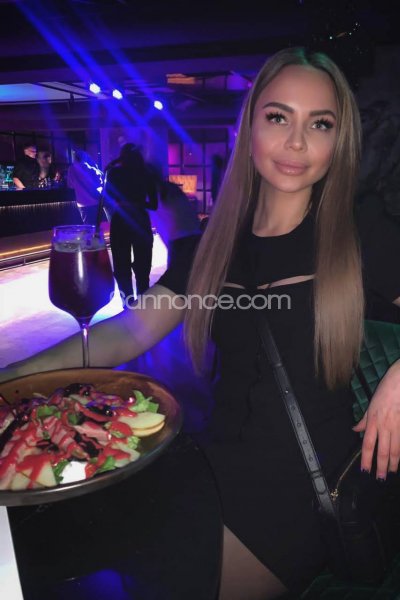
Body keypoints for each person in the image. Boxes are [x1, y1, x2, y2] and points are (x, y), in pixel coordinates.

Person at [3, 47, 400, 599]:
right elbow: (128, 332)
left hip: (304, 486)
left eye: (320, 124)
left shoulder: (360, 231)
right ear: (248, 127)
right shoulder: (212, 248)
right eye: (278, 117)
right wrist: (13, 377)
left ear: (340, 141)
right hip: (207, 462)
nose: (296, 142)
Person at [105, 143, 158, 302]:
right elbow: (154, 205)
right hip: (140, 220)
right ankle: (142, 302)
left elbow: (107, 198)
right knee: (143, 266)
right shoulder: (146, 173)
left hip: (120, 220)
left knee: (121, 266)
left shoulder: (114, 173)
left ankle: (127, 303)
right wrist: (136, 202)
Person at [67, 149, 103, 226]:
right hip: (94, 200)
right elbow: (100, 182)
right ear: (85, 157)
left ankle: (89, 233)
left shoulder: (71, 169)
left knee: (88, 226)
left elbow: (70, 185)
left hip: (82, 202)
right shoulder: (91, 168)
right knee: (97, 225)